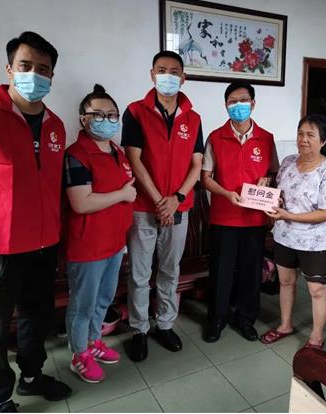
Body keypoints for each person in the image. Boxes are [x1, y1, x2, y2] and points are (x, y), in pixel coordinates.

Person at [0, 32, 71, 412]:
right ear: (9, 69)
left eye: (43, 69)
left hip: (43, 242)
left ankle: (31, 376)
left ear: (52, 75)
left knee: (37, 317)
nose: (34, 74)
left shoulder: (55, 125)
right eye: (26, 66)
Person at [122, 51, 204, 361]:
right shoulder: (135, 111)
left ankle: (165, 324)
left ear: (183, 78)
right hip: (144, 207)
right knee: (140, 274)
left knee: (170, 270)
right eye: (161, 70)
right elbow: (134, 159)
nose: (167, 75)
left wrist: (176, 199)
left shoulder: (193, 118)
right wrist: (160, 201)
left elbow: (197, 165)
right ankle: (139, 329)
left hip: (179, 208)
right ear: (152, 74)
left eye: (174, 71)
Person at [63, 84, 136, 383]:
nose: (106, 120)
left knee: (103, 299)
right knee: (83, 304)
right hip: (88, 246)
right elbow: (81, 203)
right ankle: (79, 355)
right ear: (84, 119)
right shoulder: (76, 155)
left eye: (112, 115)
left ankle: (93, 342)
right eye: (98, 114)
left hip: (114, 243)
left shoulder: (117, 152)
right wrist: (122, 195)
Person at [201, 80, 278, 343]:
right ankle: (217, 318)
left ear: (253, 104)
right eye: (232, 102)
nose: (238, 106)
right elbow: (205, 177)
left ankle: (246, 318)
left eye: (243, 101)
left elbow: (273, 172)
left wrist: (267, 181)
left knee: (251, 271)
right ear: (225, 106)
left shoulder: (266, 138)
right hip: (223, 216)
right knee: (221, 271)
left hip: (254, 218)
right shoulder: (215, 137)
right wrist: (226, 193)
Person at [259, 114, 326, 349]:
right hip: (284, 236)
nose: (303, 139)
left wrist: (288, 216)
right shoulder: (287, 162)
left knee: (316, 289)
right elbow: (281, 194)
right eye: (300, 134)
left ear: (323, 141)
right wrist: (272, 200)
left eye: (310, 135)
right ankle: (285, 325)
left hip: (312, 241)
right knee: (286, 282)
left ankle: (316, 336)